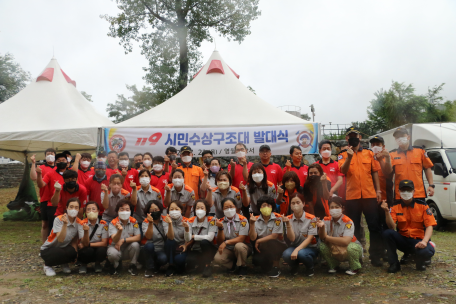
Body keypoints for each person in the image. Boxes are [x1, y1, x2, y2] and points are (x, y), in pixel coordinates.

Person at [339, 126, 383, 266]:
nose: (353, 137)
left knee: (374, 226)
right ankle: (357, 256)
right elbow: (343, 170)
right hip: (352, 196)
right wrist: (349, 157)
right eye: (350, 135)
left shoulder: (369, 154)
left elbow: (375, 171)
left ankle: (375, 256)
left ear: (360, 137)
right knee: (354, 227)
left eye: (355, 135)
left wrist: (378, 190)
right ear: (347, 138)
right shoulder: (343, 154)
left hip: (369, 195)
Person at [381, 180, 436, 273]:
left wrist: (425, 241)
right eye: (403, 190)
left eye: (408, 190)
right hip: (403, 239)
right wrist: (387, 212)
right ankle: (394, 263)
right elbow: (391, 226)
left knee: (426, 252)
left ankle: (420, 260)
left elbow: (430, 225)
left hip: (418, 241)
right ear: (399, 192)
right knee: (387, 233)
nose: (406, 193)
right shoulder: (395, 206)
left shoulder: (422, 206)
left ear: (413, 192)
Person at [383, 127, 434, 201]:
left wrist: (431, 185)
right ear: (395, 140)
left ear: (408, 137)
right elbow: (388, 172)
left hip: (418, 193)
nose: (400, 139)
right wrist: (387, 158)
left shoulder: (420, 151)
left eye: (402, 136)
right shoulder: (392, 154)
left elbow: (427, 168)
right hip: (400, 194)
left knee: (418, 213)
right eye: (397, 137)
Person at [317, 196, 363, 275]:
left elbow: (346, 241)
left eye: (337, 207)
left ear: (343, 208)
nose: (334, 209)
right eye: (332, 207)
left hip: (349, 246)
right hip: (335, 247)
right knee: (322, 246)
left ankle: (355, 267)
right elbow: (321, 237)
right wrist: (321, 228)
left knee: (352, 248)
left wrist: (327, 237)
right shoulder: (325, 220)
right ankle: (334, 265)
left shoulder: (348, 222)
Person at [40, 197, 82, 276]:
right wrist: (65, 224)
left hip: (64, 247)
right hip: (49, 248)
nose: (73, 209)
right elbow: (60, 239)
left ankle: (64, 263)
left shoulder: (78, 222)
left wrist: (75, 254)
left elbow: (74, 240)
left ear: (79, 209)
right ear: (67, 208)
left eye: (76, 207)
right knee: (59, 252)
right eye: (71, 207)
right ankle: (47, 266)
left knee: (72, 252)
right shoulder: (58, 219)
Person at [282, 193, 319, 276]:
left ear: (303, 204)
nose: (295, 205)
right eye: (293, 203)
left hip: (310, 247)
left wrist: (296, 250)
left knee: (302, 254)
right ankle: (294, 267)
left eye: (298, 202)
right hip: (294, 245)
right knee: (286, 254)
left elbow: (309, 239)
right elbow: (292, 239)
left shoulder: (311, 218)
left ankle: (310, 267)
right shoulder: (288, 218)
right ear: (290, 205)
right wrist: (288, 224)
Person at [249, 196, 286, 277]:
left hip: (277, 244)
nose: (266, 207)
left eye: (269, 205)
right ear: (260, 207)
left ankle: (276, 266)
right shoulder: (255, 219)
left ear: (272, 207)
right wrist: (252, 224)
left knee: (272, 242)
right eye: (264, 205)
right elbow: (252, 238)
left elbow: (274, 236)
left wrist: (259, 241)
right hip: (262, 247)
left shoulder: (278, 218)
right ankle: (269, 264)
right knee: (257, 261)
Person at [213, 197, 252, 276]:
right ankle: (232, 265)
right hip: (229, 248)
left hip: (243, 247)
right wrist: (220, 228)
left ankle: (242, 266)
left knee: (239, 246)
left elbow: (241, 238)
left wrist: (226, 242)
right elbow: (220, 241)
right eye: (226, 208)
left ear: (236, 207)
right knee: (217, 259)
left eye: (231, 207)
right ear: (222, 210)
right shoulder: (220, 221)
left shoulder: (243, 220)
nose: (229, 209)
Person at [36, 152, 68, 236]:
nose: (61, 162)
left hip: (67, 204)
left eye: (63, 160)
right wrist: (39, 174)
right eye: (59, 160)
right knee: (52, 227)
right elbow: (41, 185)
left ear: (67, 162)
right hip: (53, 205)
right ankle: (50, 245)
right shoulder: (50, 173)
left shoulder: (70, 173)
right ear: (56, 162)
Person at [184, 199, 218, 277]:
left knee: (204, 242)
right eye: (197, 208)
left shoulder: (212, 220)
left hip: (209, 248)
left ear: (206, 209)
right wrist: (186, 230)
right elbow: (187, 239)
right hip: (196, 249)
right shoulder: (190, 221)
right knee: (190, 260)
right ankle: (201, 265)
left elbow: (210, 238)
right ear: (194, 210)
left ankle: (207, 266)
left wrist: (194, 236)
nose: (199, 210)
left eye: (202, 208)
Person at [107, 199, 141, 275]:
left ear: (130, 211)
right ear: (117, 211)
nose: (124, 211)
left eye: (127, 209)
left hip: (127, 249)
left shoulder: (134, 221)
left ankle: (133, 265)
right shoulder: (113, 222)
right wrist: (119, 230)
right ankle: (115, 265)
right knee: (112, 254)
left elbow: (138, 237)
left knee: (135, 245)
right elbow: (115, 239)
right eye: (121, 209)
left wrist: (123, 240)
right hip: (115, 247)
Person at [30, 148, 56, 243]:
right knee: (45, 223)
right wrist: (33, 163)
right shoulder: (41, 168)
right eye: (48, 154)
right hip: (45, 199)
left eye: (52, 153)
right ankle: (44, 244)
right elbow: (33, 177)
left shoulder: (59, 168)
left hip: (57, 200)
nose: (50, 155)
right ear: (45, 156)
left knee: (57, 222)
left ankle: (56, 242)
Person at [77, 201, 108, 274]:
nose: (91, 211)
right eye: (88, 209)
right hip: (86, 248)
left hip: (97, 247)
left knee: (102, 250)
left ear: (98, 211)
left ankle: (98, 264)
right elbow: (84, 243)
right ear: (85, 212)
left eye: (94, 209)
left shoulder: (103, 224)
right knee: (87, 250)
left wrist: (90, 245)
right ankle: (83, 264)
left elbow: (104, 243)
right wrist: (86, 231)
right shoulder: (81, 223)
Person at [163, 201, 190, 276]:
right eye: (171, 209)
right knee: (170, 241)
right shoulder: (165, 220)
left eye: (177, 209)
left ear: (181, 210)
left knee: (179, 262)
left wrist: (186, 245)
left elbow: (189, 238)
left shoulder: (186, 221)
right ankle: (171, 265)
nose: (174, 211)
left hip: (182, 247)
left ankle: (180, 266)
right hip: (171, 247)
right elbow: (170, 237)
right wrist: (170, 223)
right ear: (168, 211)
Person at [142, 200, 168, 277]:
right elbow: (148, 237)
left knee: (163, 259)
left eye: (156, 209)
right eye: (152, 210)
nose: (154, 211)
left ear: (160, 209)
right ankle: (149, 269)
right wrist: (150, 223)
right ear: (148, 211)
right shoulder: (145, 222)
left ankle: (156, 266)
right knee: (149, 246)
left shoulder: (165, 219)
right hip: (149, 248)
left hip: (161, 248)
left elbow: (169, 236)